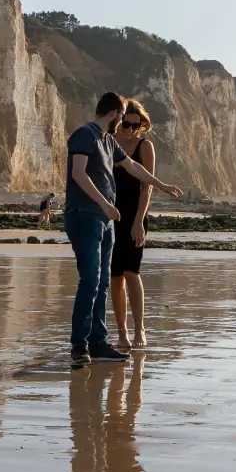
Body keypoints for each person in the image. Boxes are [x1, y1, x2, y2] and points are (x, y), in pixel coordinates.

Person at [65, 91, 183, 365]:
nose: (124, 125)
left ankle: (98, 342)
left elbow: (132, 167)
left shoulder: (108, 141)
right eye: (122, 118)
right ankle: (79, 345)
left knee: (104, 282)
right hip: (85, 216)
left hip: (106, 221)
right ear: (115, 114)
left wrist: (161, 185)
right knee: (91, 281)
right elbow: (78, 174)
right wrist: (106, 205)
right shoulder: (85, 134)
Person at [109, 99, 157, 351]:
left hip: (134, 216)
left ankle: (140, 328)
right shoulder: (109, 142)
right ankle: (122, 333)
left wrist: (139, 221)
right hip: (110, 215)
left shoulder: (144, 146)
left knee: (131, 272)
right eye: (126, 124)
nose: (130, 130)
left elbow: (146, 187)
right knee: (115, 277)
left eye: (136, 126)